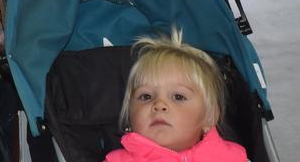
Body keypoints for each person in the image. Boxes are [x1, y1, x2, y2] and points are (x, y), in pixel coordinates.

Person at [105, 30, 247, 161]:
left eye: (178, 97)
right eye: (146, 96)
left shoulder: (232, 157)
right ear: (129, 116)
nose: (159, 105)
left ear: (209, 116)